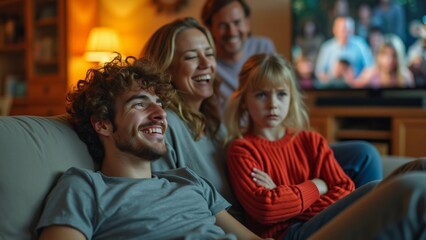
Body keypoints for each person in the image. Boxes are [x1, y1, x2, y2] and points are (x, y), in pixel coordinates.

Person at [35, 54, 264, 240]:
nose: (161, 114)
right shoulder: (85, 187)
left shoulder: (188, 179)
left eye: (159, 104)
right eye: (139, 104)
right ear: (103, 124)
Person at [224, 53, 426, 239]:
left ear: (291, 97)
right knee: (384, 189)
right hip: (289, 235)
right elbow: (267, 209)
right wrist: (318, 186)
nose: (273, 104)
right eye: (261, 95)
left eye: (281, 94)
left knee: (419, 168)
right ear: (243, 101)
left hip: (323, 223)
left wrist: (283, 195)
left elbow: (345, 190)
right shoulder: (242, 150)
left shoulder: (311, 140)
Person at [202, 0, 383, 188]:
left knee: (365, 154)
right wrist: (315, 187)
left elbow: (284, 92)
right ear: (210, 29)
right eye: (223, 25)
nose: (232, 31)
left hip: (285, 141)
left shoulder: (263, 46)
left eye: (237, 22)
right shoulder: (207, 67)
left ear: (247, 22)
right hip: (255, 149)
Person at [140, 17, 244, 220]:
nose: (206, 64)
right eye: (191, 57)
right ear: (165, 69)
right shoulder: (163, 125)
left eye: (209, 54)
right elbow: (171, 205)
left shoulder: (214, 122)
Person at [315, 15, 374, 86]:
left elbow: (370, 67)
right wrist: (332, 80)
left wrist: (358, 81)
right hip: (332, 88)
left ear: (353, 30)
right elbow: (319, 72)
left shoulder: (360, 44)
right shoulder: (326, 47)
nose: (345, 33)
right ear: (334, 30)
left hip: (357, 87)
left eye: (348, 30)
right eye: (342, 30)